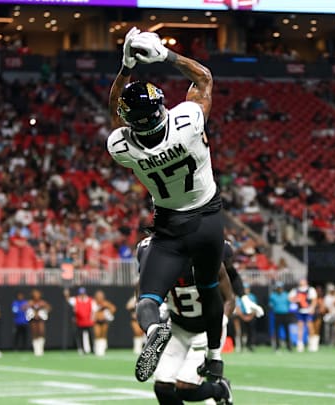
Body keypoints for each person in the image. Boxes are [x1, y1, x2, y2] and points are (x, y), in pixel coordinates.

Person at [108, 27, 225, 383]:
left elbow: (116, 110)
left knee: (149, 297)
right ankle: (215, 357)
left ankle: (151, 331)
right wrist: (166, 56)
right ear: (161, 109)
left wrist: (126, 66)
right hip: (208, 220)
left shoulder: (122, 148)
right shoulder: (188, 122)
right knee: (209, 288)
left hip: (170, 227)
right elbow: (203, 78)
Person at [137, 238, 235, 405]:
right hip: (177, 326)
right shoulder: (152, 260)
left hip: (206, 329)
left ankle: (221, 389)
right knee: (162, 387)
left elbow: (229, 300)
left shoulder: (208, 262)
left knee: (185, 388)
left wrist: (221, 322)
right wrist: (153, 325)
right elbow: (143, 302)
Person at [289, 279, 318, 352]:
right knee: (300, 327)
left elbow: (314, 300)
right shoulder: (295, 290)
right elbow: (290, 298)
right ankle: (300, 344)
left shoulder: (310, 289)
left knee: (310, 326)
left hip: (308, 311)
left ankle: (312, 344)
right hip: (299, 311)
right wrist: (295, 300)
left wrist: (312, 308)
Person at [64, 287, 95, 355]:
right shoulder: (76, 300)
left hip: (89, 322)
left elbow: (94, 310)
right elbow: (68, 299)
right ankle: (82, 349)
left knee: (91, 337)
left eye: (83, 293)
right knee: (80, 337)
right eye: (81, 294)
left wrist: (93, 319)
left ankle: (92, 349)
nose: (82, 295)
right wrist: (66, 294)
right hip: (80, 322)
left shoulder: (90, 300)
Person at [268, 282, 291, 352]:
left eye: (281, 288)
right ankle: (277, 347)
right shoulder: (273, 296)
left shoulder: (286, 295)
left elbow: (289, 304)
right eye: (278, 288)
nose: (280, 289)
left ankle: (289, 347)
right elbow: (271, 305)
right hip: (277, 314)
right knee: (276, 331)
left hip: (285, 314)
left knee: (287, 331)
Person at [27, 289, 51, 356]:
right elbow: (24, 308)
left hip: (40, 320)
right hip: (33, 320)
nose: (36, 296)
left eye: (37, 294)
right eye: (35, 294)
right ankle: (36, 349)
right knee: (34, 333)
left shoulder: (42, 302)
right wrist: (31, 310)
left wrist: (42, 310)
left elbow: (49, 308)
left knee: (41, 332)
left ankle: (41, 349)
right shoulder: (30, 302)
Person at [234, 284, 258, 352]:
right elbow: (238, 308)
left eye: (247, 288)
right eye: (245, 289)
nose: (246, 290)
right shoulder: (239, 297)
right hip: (242, 315)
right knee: (241, 332)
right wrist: (243, 317)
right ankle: (241, 346)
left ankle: (250, 346)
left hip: (250, 315)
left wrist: (250, 316)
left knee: (251, 332)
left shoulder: (252, 297)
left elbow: (254, 307)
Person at [93, 290, 116, 356]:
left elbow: (113, 308)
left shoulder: (105, 303)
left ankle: (102, 350)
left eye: (101, 296)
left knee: (103, 335)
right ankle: (97, 350)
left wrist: (108, 314)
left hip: (104, 321)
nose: (100, 297)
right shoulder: (93, 303)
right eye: (98, 296)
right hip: (96, 322)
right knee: (97, 334)